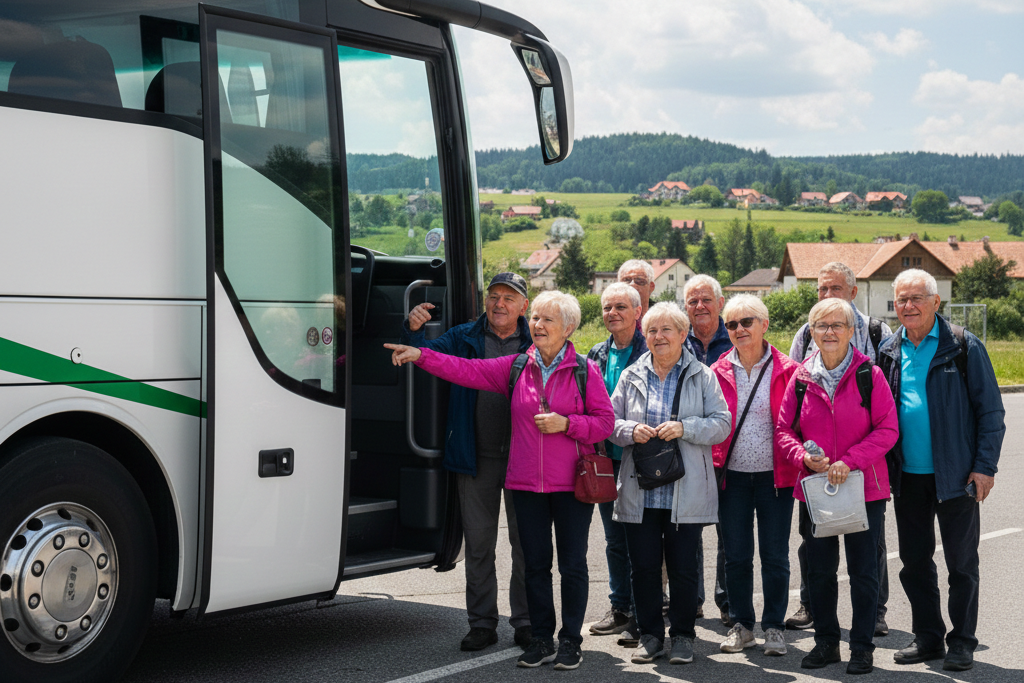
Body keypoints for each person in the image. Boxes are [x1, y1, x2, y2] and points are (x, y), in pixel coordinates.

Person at [386, 291, 614, 671]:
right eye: (536, 318)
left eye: (547, 320)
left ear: (568, 328)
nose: (537, 325)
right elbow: (465, 370)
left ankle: (570, 641)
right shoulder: (516, 366)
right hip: (526, 485)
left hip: (571, 486)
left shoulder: (584, 370)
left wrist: (568, 424)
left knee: (572, 565)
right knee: (536, 566)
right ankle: (541, 639)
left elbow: (605, 423)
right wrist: (421, 355)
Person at [876, 269, 1005, 672]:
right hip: (908, 477)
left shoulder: (964, 346)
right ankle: (928, 638)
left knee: (961, 564)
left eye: (917, 298)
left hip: (957, 476)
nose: (908, 306)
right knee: (915, 563)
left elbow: (991, 413)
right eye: (901, 299)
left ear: (936, 302)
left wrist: (984, 467)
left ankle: (962, 641)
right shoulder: (889, 350)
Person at [400, 272, 532, 652]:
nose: (500, 304)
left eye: (509, 298)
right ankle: (482, 623)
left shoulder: (536, 339)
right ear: (485, 301)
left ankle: (524, 622)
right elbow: (426, 355)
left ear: (524, 305)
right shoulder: (463, 337)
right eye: (494, 296)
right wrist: (411, 329)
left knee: (526, 545)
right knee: (478, 545)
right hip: (476, 456)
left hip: (524, 459)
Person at [776, 299, 899, 675]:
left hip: (864, 489)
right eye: (821, 325)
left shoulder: (870, 374)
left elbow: (888, 429)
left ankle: (861, 647)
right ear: (811, 332)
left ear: (850, 331)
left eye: (837, 325)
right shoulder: (799, 379)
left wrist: (851, 460)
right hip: (816, 490)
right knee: (820, 571)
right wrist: (801, 457)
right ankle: (827, 642)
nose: (829, 332)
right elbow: (783, 431)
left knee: (864, 572)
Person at [609, 302, 731, 666]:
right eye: (652, 331)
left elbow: (722, 423)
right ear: (643, 336)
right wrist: (631, 430)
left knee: (682, 569)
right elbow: (609, 424)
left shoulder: (703, 376)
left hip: (686, 490)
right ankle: (650, 636)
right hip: (640, 490)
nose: (658, 337)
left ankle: (682, 637)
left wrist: (685, 428)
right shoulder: (631, 375)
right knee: (643, 568)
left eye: (666, 330)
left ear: (682, 334)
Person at [710, 294, 800, 657]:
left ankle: (775, 627)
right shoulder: (716, 372)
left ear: (764, 324)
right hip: (731, 477)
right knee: (736, 555)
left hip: (775, 477)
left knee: (775, 555)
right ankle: (743, 625)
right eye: (731, 324)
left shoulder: (789, 370)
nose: (738, 330)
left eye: (746, 322)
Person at [586, 283, 647, 638]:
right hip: (604, 461)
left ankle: (643, 612)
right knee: (614, 541)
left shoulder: (650, 347)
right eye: (607, 307)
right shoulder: (595, 353)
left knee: (641, 540)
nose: (613, 313)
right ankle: (620, 606)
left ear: (637, 312)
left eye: (621, 307)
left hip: (641, 459)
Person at [682, 274, 732, 626]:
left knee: (729, 532)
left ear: (720, 304)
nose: (699, 306)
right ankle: (693, 599)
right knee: (688, 531)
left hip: (729, 451)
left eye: (706, 300)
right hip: (686, 451)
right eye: (692, 301)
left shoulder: (739, 336)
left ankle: (728, 602)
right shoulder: (674, 339)